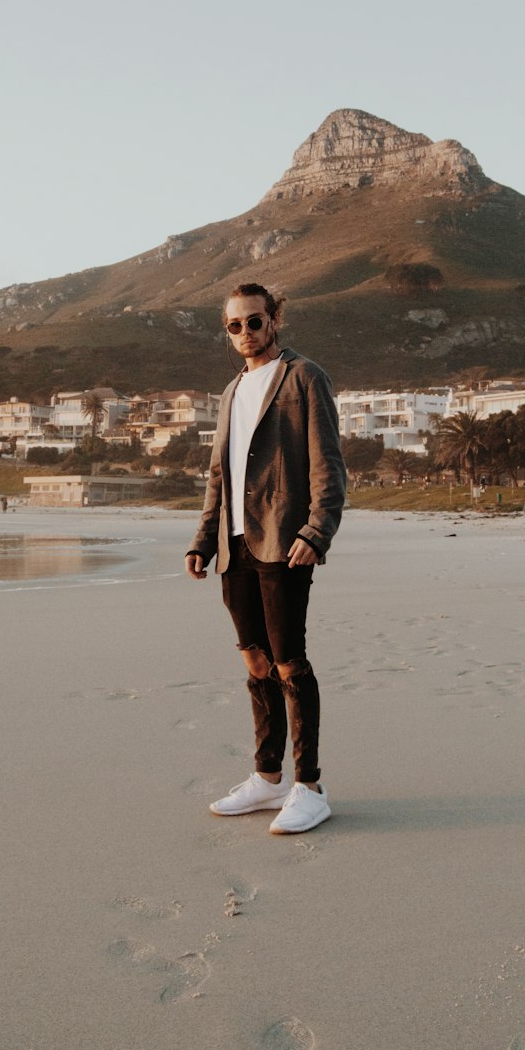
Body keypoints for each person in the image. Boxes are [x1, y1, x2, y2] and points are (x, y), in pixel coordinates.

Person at [185, 283, 346, 835]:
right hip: (235, 549)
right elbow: (218, 474)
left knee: (289, 663)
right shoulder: (232, 390)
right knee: (255, 663)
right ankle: (268, 777)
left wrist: (317, 532)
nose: (246, 333)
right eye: (235, 325)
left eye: (255, 321)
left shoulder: (304, 378)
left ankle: (310, 787)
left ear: (274, 319)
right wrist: (203, 540)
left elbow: (329, 465)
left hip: (283, 542)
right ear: (227, 332)